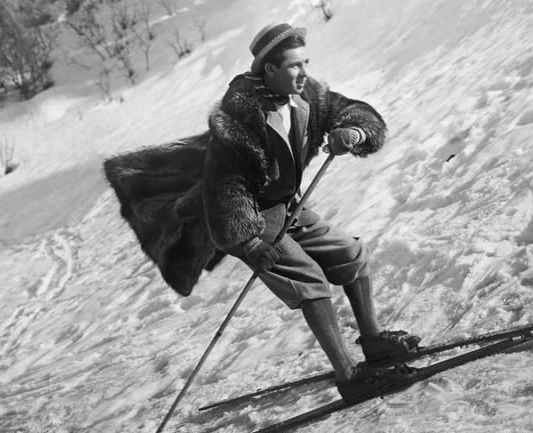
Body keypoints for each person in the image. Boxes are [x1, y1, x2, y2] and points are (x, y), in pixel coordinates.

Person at [104, 22, 419, 402]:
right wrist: (250, 243)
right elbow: (224, 191)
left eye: (305, 63)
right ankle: (349, 375)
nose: (303, 73)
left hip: (289, 207)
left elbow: (351, 111)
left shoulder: (308, 97)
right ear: (269, 70)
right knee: (310, 281)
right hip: (248, 220)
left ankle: (373, 342)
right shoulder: (238, 122)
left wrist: (353, 132)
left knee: (351, 254)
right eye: (293, 66)